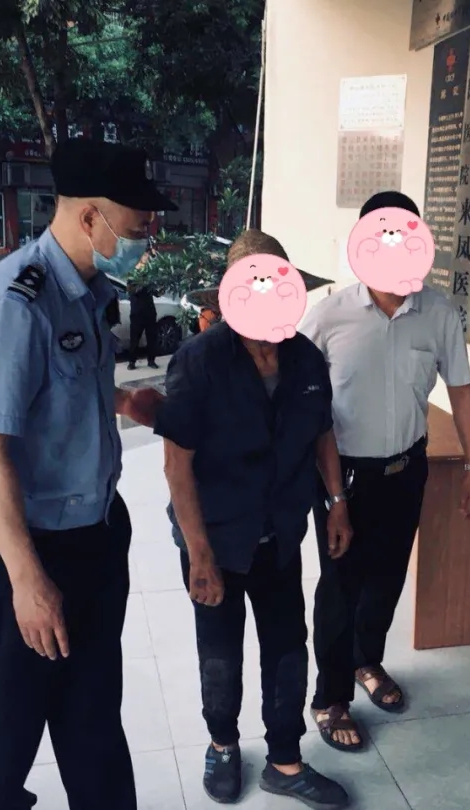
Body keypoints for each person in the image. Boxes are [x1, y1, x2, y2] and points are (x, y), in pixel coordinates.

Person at [0, 138, 175, 810]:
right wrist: (27, 581)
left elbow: (59, 388)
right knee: (13, 720)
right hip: (29, 548)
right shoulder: (15, 303)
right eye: (138, 227)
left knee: (93, 711)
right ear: (89, 217)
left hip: (95, 537)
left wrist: (122, 401)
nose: (145, 240)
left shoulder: (88, 292)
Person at [154, 229, 353, 809]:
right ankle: (222, 744)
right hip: (215, 538)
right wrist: (198, 554)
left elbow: (322, 432)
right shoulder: (199, 361)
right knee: (220, 654)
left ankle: (285, 761)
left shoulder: (305, 357)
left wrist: (337, 502)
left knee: (287, 646)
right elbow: (177, 464)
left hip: (281, 534)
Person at [299, 190, 470, 753]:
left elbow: (462, 389)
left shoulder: (438, 313)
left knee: (386, 576)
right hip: (341, 477)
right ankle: (330, 697)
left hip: (406, 470)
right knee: (340, 585)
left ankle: (367, 661)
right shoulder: (328, 315)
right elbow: (300, 399)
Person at [127, 278, 158, 370]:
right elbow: (131, 290)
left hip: (150, 313)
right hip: (137, 314)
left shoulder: (150, 277)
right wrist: (141, 284)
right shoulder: (132, 278)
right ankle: (132, 362)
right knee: (134, 340)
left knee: (152, 339)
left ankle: (151, 361)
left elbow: (157, 293)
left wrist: (160, 287)